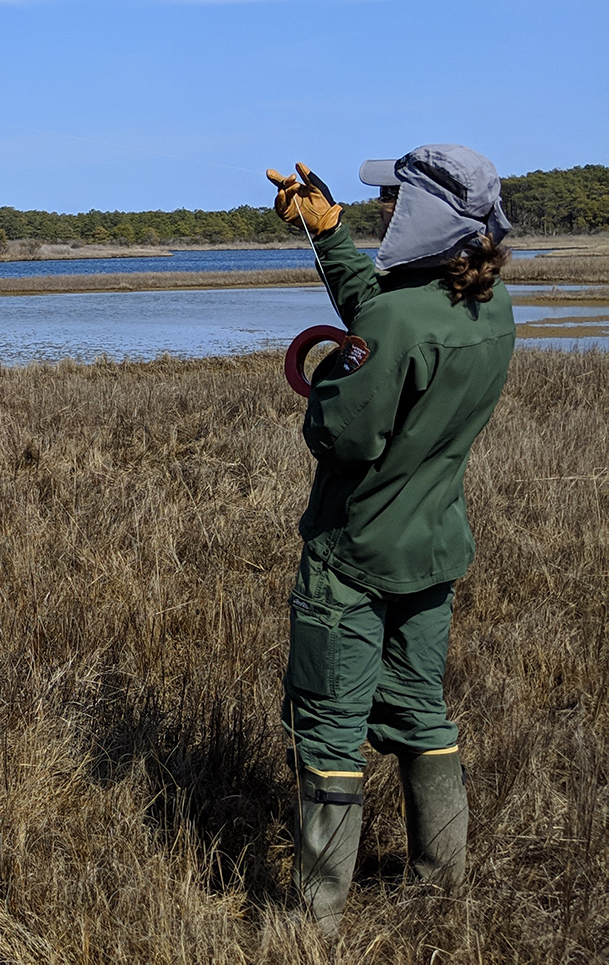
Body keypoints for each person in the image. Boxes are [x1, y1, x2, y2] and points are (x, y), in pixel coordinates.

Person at [265, 146, 515, 935]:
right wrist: (328, 231)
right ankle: (442, 891)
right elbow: (386, 313)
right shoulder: (488, 306)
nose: (384, 211)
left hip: (353, 554)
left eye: (392, 202)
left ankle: (316, 922)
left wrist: (331, 382)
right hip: (432, 547)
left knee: (329, 728)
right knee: (419, 713)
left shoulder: (397, 322)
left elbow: (341, 436)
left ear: (428, 216)